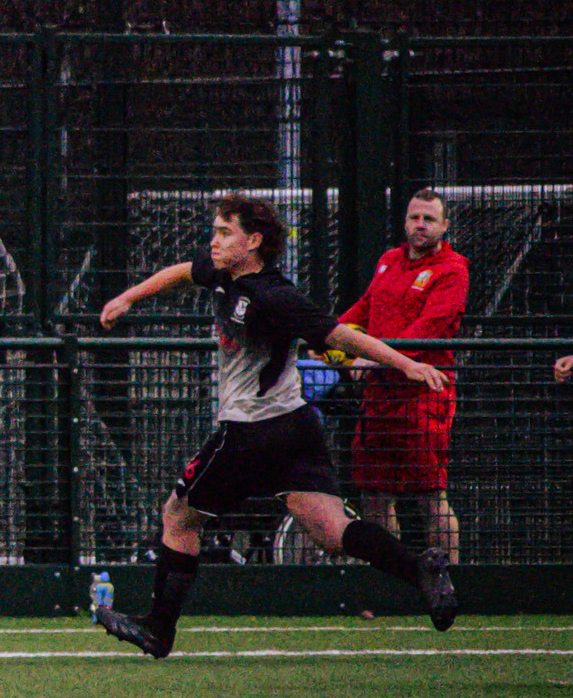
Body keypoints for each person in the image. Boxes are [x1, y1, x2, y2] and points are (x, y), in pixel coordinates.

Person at [97, 192, 459, 659]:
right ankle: (420, 567)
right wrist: (129, 296)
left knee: (178, 516)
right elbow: (182, 274)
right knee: (333, 531)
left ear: (254, 241)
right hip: (295, 429)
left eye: (224, 233)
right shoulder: (223, 272)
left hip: (250, 431)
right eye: (215, 231)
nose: (214, 241)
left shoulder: (274, 296)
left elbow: (339, 335)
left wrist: (403, 363)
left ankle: (158, 630)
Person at [335, 188, 468, 560]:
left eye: (429, 219)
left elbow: (432, 327)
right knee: (374, 492)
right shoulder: (389, 260)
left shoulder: (453, 269)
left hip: (424, 396)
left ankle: (448, 585)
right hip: (379, 396)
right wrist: (329, 334)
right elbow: (364, 308)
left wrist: (373, 358)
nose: (420, 225)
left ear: (444, 226)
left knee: (429, 495)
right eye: (414, 217)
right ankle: (385, 580)